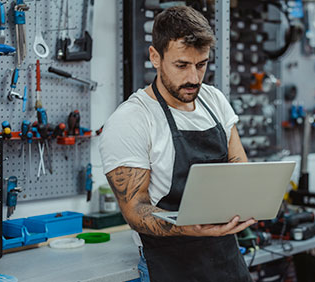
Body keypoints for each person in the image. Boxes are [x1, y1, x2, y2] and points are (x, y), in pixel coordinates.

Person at [99, 5, 254, 282]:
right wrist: (189, 225)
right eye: (182, 65)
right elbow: (136, 209)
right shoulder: (132, 119)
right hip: (170, 267)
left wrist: (249, 202)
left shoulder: (214, 100)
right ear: (155, 57)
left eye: (201, 64)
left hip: (227, 260)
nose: (194, 78)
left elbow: (238, 164)